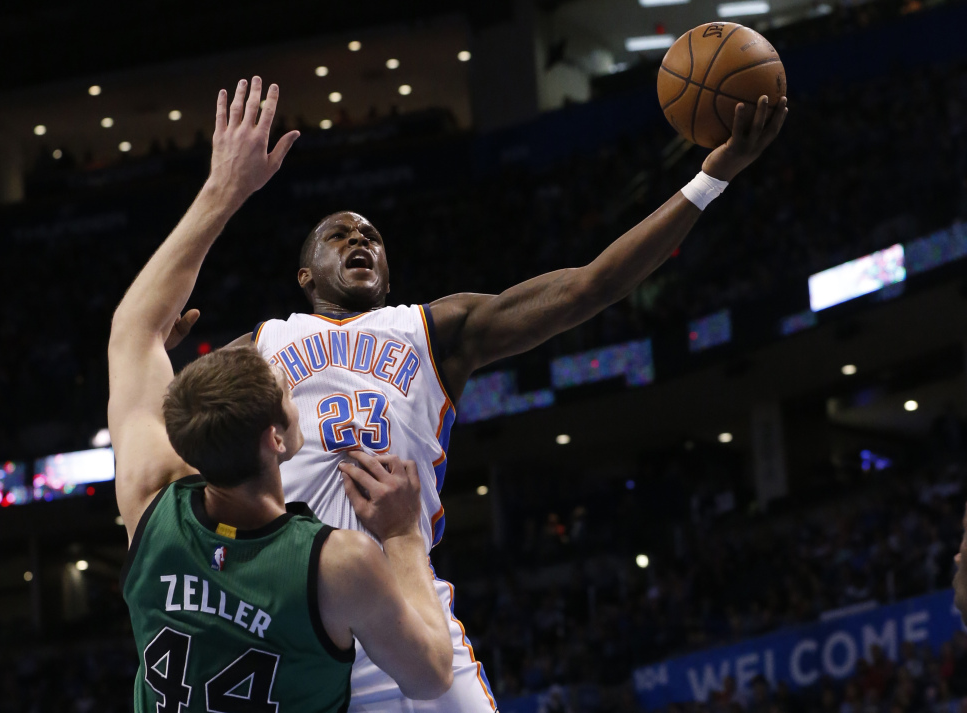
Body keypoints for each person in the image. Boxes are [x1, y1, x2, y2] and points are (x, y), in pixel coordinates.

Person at [172, 81, 789, 712]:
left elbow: (589, 288)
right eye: (339, 235)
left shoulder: (434, 329)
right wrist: (160, 352)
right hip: (298, 614)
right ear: (304, 277)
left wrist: (711, 180)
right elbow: (175, 428)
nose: (360, 239)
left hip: (403, 592)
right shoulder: (262, 344)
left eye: (371, 236)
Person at [109, 77, 453, 712]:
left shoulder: (148, 498)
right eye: (288, 392)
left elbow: (134, 331)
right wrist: (403, 534)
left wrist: (223, 186)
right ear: (279, 438)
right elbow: (431, 676)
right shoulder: (336, 562)